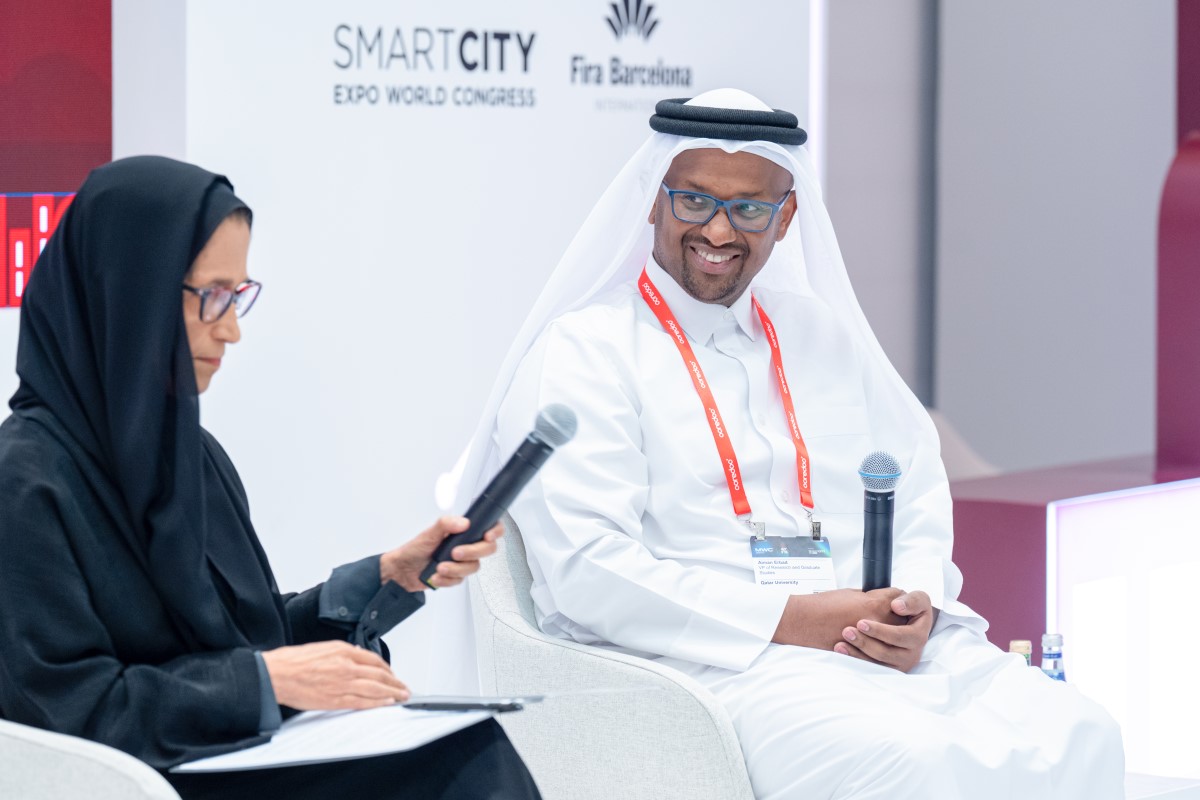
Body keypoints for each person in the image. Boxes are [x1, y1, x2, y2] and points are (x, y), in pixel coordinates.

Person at [453, 89, 1124, 798]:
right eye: (694, 201)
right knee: (912, 762)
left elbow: (914, 484)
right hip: (711, 662)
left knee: (1082, 733)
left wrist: (913, 606)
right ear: (653, 202)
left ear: (786, 216)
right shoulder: (585, 352)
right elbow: (589, 571)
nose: (718, 230)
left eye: (749, 208)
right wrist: (792, 619)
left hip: (869, 644)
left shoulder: (820, 336)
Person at [0, 156, 541, 799]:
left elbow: (245, 639)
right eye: (212, 297)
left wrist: (388, 576)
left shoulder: (192, 455)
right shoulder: (24, 481)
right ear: (126, 292)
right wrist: (264, 683)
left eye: (238, 297)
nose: (230, 330)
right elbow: (68, 710)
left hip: (231, 754)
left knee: (466, 749)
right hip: (139, 782)